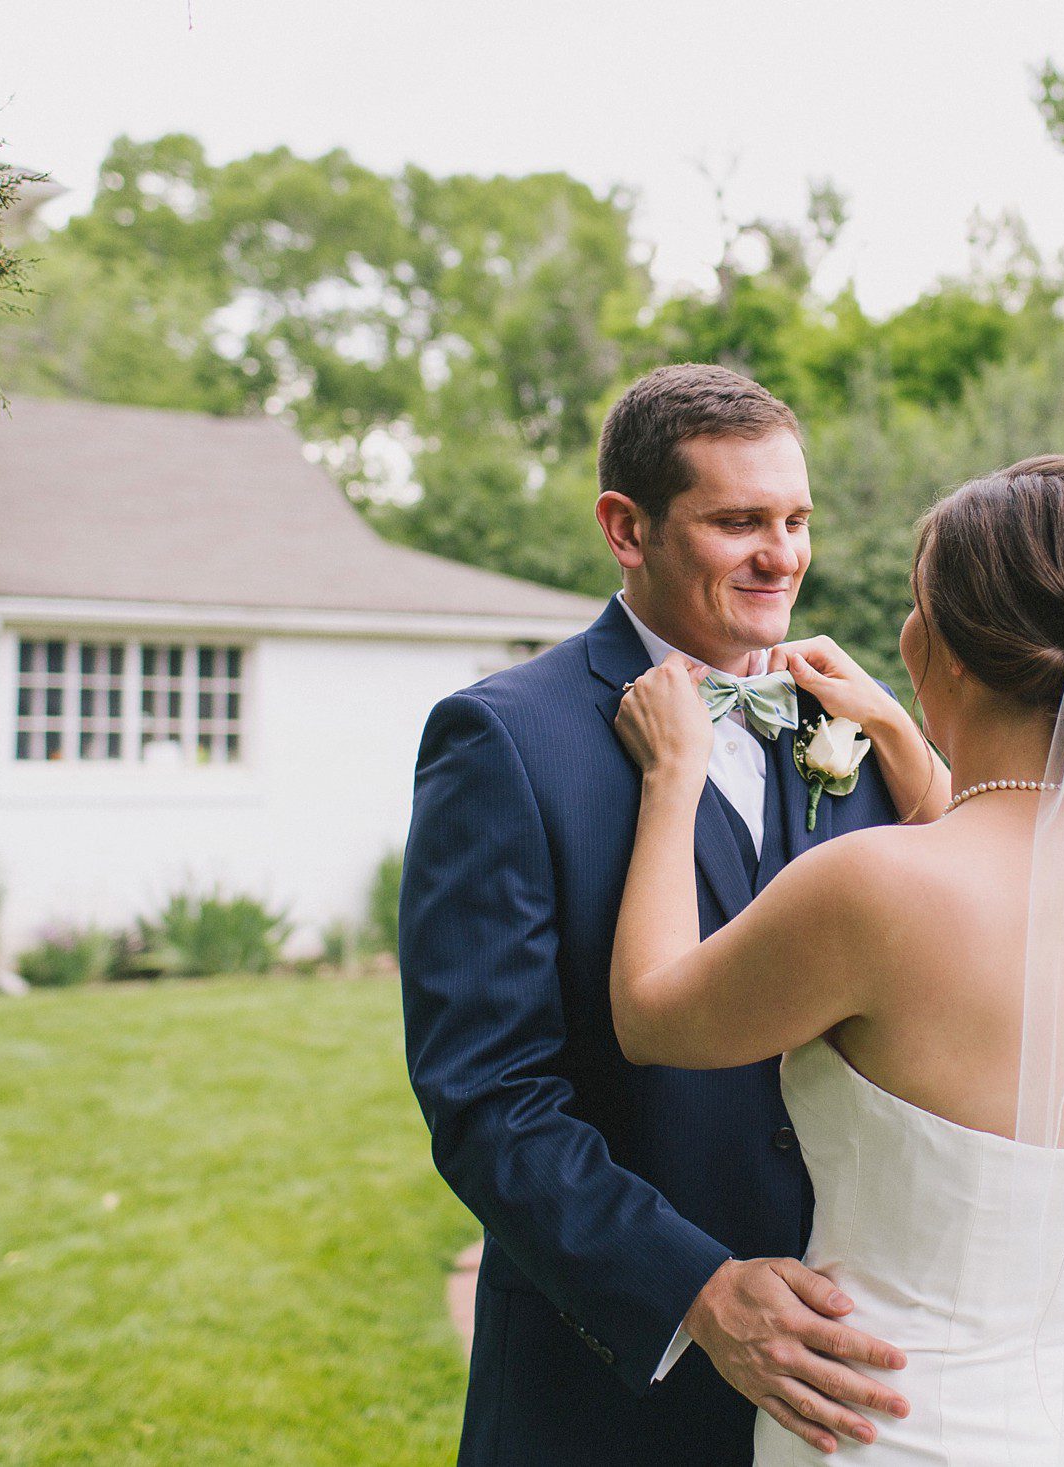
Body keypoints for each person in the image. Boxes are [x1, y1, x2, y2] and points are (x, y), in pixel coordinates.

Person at [612, 456, 1064, 1464]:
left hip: (882, 1427)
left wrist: (672, 780)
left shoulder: (870, 889)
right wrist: (908, 740)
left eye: (918, 604)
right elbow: (999, 876)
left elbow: (651, 1013)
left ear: (940, 645)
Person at [398, 363, 951, 1466]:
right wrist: (693, 1288)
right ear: (626, 527)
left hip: (857, 1376)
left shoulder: (846, 723)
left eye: (796, 520)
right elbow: (487, 1099)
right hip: (610, 1391)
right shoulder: (504, 741)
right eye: (738, 521)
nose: (782, 556)